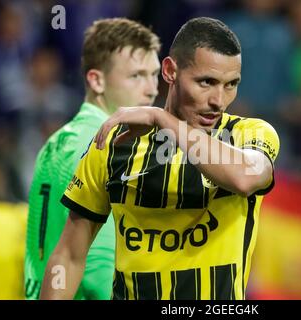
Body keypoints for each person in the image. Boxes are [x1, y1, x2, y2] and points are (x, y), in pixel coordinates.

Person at [41, 17, 279, 300]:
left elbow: (245, 177)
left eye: (231, 84)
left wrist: (160, 117)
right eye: (206, 82)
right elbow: (69, 257)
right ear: (170, 71)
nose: (219, 100)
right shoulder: (116, 144)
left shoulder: (248, 134)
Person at [25, 18, 161, 299]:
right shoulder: (107, 147)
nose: (151, 89)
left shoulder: (55, 143)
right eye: (136, 76)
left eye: (154, 74)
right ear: (96, 80)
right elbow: (100, 272)